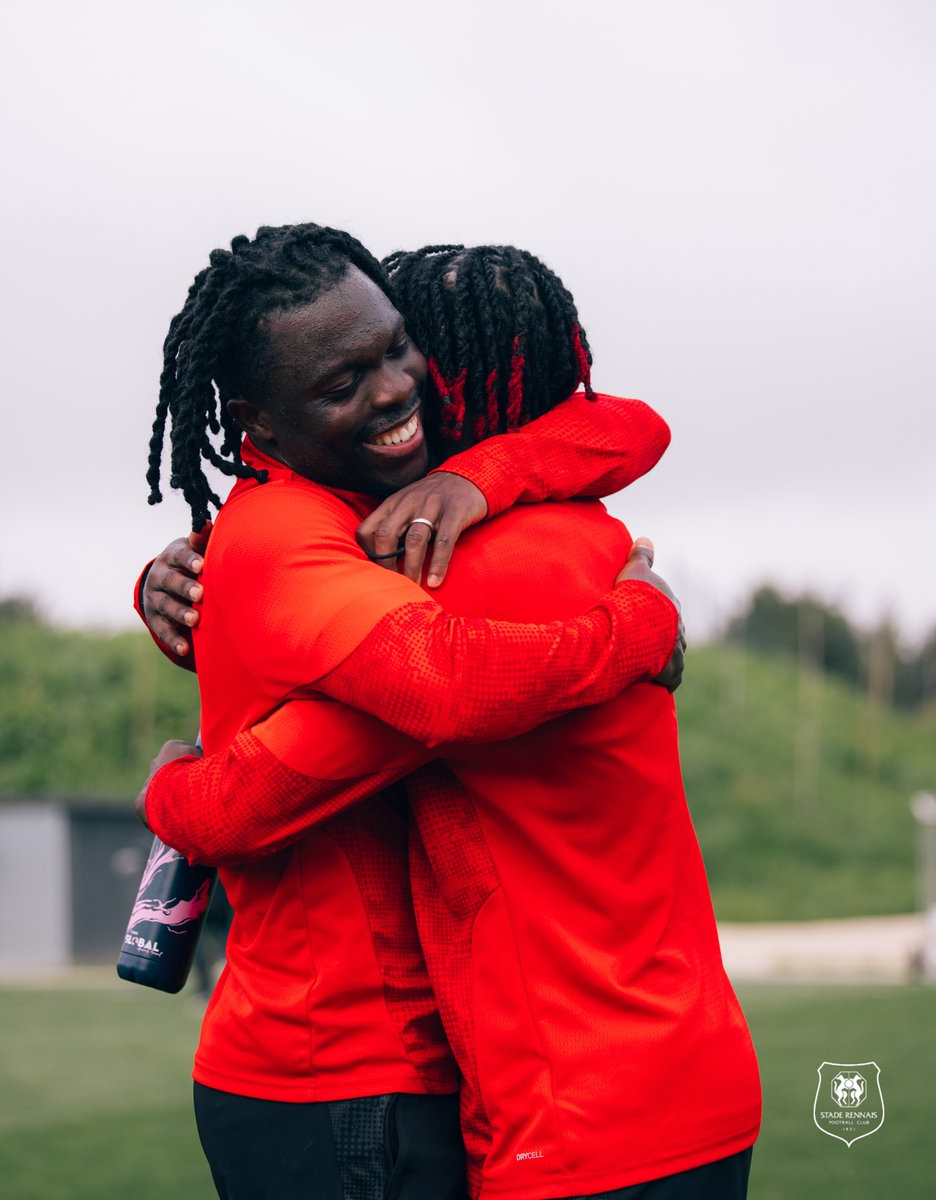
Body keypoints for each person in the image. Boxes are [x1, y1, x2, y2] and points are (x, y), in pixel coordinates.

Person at [138, 226, 689, 1200]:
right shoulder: (286, 533)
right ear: (256, 415)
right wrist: (639, 626)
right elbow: (442, 690)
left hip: (393, 1064)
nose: (395, 387)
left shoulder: (366, 500)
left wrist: (480, 473)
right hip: (340, 1070)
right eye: (343, 382)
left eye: (397, 348)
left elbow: (628, 423)